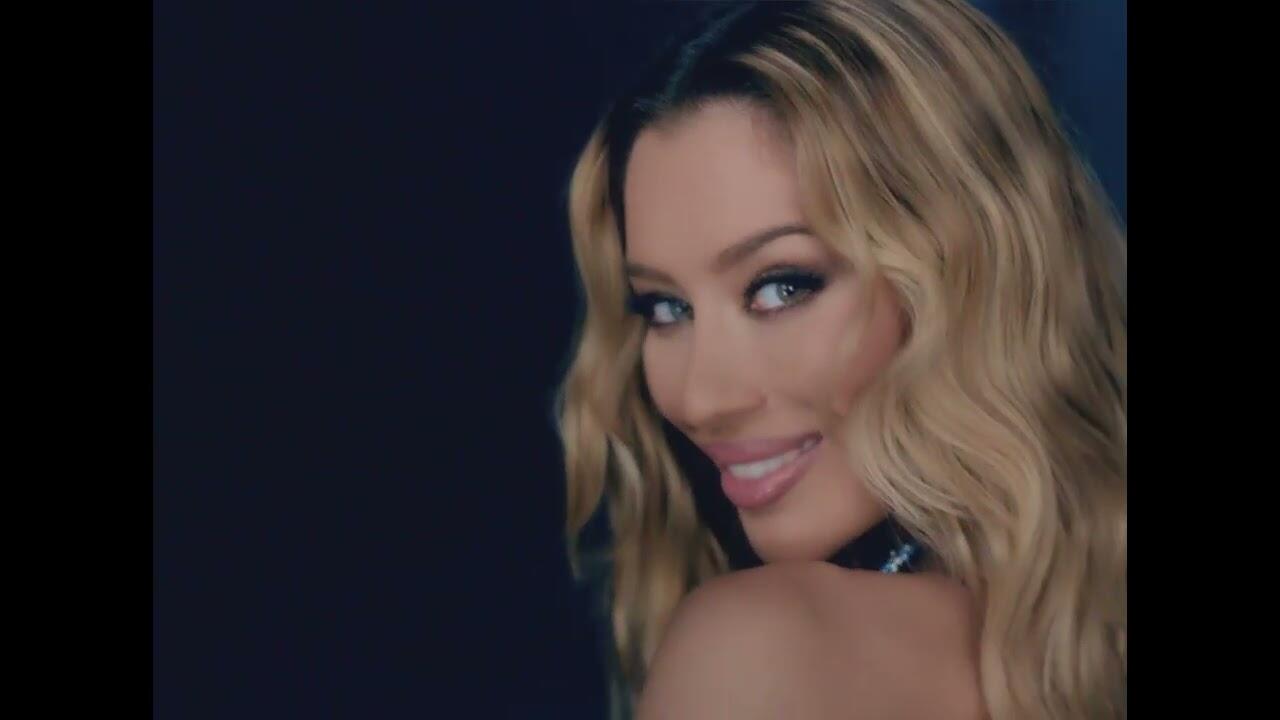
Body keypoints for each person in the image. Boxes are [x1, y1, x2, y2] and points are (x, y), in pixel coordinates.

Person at [554, 1, 1126, 718]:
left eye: (781, 286)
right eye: (666, 308)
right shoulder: (1082, 639)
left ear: (967, 273)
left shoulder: (758, 647)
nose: (701, 399)